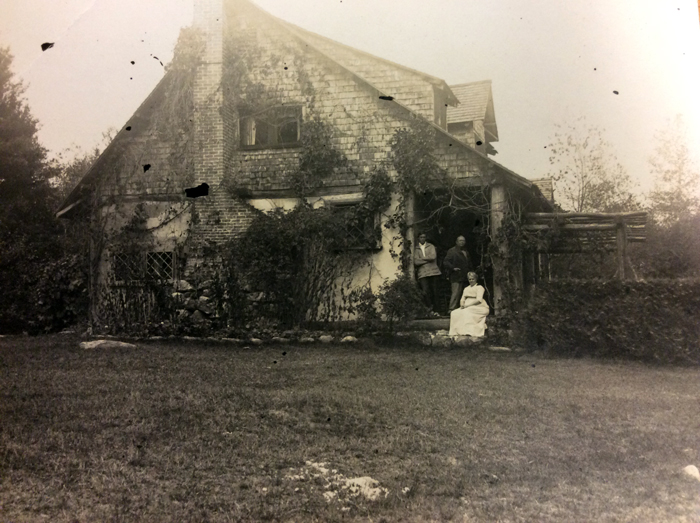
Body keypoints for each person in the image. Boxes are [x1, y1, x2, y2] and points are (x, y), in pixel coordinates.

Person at [449, 271, 489, 337]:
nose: (471, 280)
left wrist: (467, 305)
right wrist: (462, 304)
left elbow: (479, 300)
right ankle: (457, 331)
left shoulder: (479, 288)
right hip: (466, 306)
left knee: (466, 312)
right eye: (469, 279)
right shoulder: (466, 289)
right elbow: (462, 298)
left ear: (476, 279)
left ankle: (468, 331)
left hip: (479, 307)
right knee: (454, 313)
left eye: (472, 279)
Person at [414, 233, 441, 315]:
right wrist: (427, 260)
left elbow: (433, 256)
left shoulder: (431, 246)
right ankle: (429, 310)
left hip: (433, 272)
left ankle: (437, 310)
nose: (423, 238)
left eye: (424, 237)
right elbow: (416, 262)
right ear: (418, 238)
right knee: (425, 292)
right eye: (421, 237)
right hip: (423, 273)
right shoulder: (416, 249)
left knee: (435, 291)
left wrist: (421, 259)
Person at [442, 236, 472, 312]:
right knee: (455, 293)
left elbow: (468, 263)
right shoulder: (452, 251)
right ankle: (451, 309)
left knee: (463, 293)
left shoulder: (465, 251)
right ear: (456, 242)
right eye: (460, 240)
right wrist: (453, 268)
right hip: (455, 275)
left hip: (464, 275)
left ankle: (461, 309)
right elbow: (446, 262)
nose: (462, 242)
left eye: (463, 241)